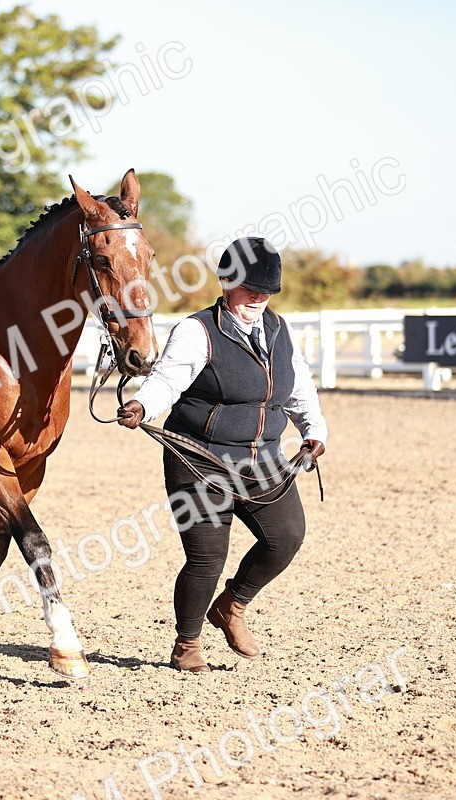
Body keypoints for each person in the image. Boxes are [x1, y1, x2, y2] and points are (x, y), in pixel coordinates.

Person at [116, 237, 327, 672]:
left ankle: (231, 605)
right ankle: (187, 644)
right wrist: (142, 405)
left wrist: (314, 431)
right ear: (227, 283)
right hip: (199, 461)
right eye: (250, 288)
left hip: (261, 458)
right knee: (207, 557)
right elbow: (168, 381)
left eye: (267, 291)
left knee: (286, 536)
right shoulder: (197, 331)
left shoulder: (279, 330)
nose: (259, 297)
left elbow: (299, 387)